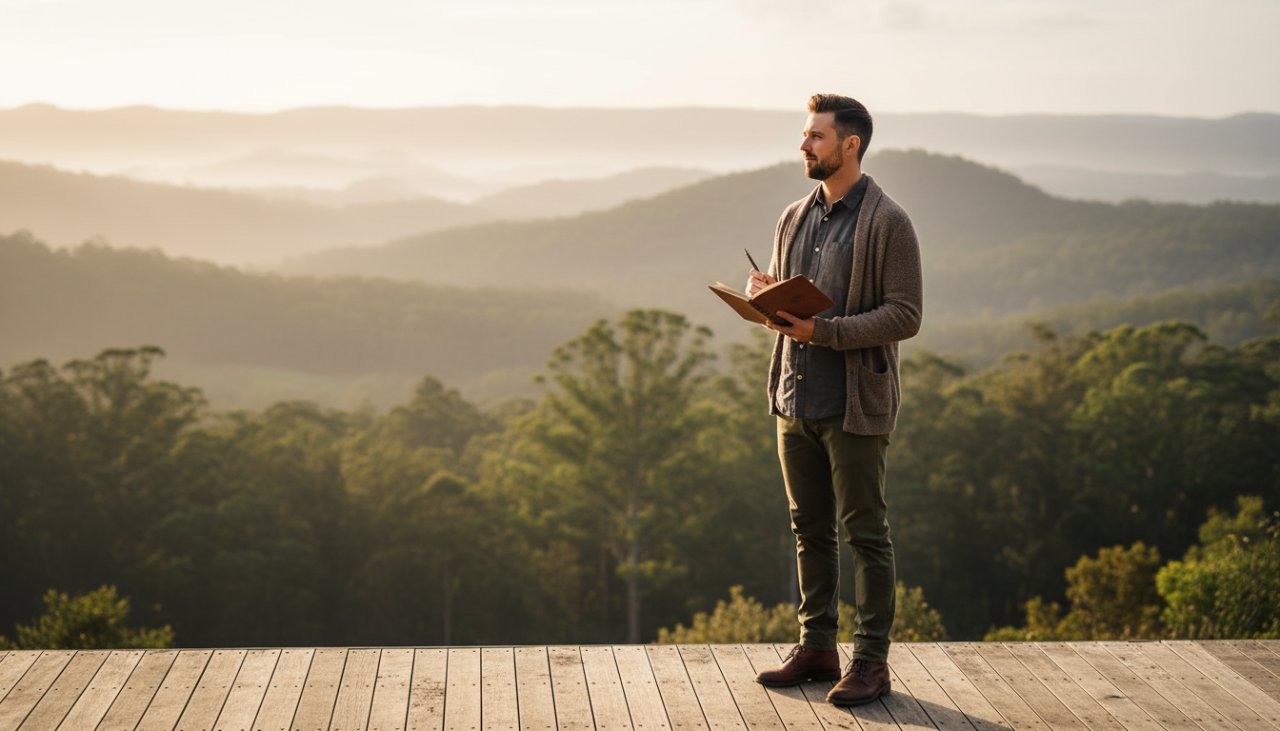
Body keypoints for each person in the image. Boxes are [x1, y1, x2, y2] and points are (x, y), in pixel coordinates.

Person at [749, 93, 922, 706]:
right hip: (793, 398)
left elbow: (905, 315)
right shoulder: (792, 217)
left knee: (866, 534)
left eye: (816, 136)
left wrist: (823, 332)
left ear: (850, 145)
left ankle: (871, 662)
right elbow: (791, 307)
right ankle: (817, 647)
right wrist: (764, 295)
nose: (804, 145)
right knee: (809, 529)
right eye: (805, 135)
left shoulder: (889, 222)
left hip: (854, 405)